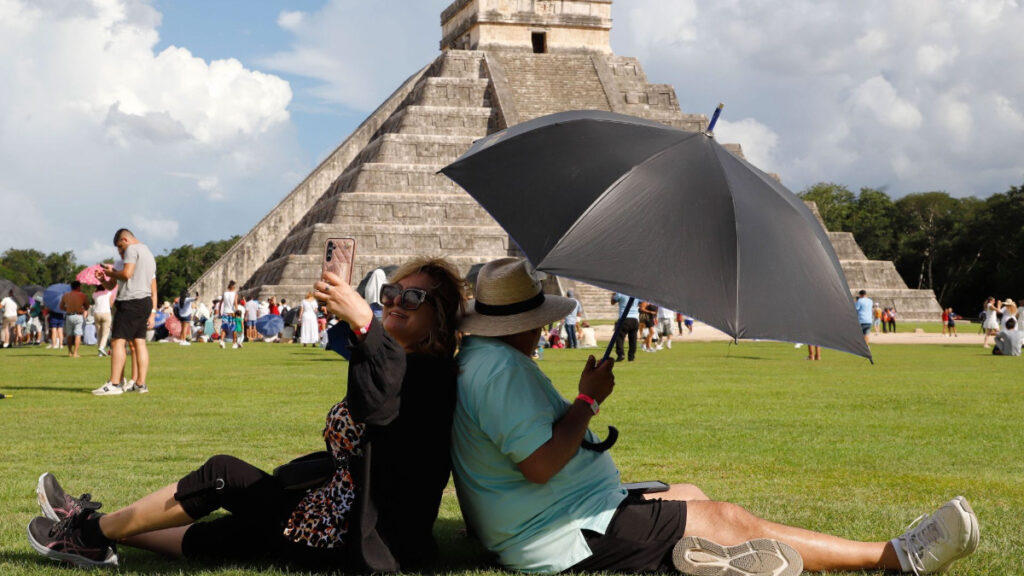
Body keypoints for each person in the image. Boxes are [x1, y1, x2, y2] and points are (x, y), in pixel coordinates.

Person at [451, 257, 980, 576]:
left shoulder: (490, 360)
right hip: (560, 534)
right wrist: (588, 401)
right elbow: (539, 465)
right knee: (727, 519)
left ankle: (699, 555)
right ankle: (895, 556)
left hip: (565, 511)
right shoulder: (498, 370)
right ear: (527, 319)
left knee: (690, 494)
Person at [27, 256, 467, 571]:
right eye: (391, 292)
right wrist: (362, 329)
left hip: (350, 530)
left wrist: (366, 324)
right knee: (223, 538)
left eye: (413, 297)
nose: (395, 301)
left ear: (440, 316)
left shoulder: (431, 376)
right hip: (329, 507)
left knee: (225, 473)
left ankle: (86, 533)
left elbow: (378, 406)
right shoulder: (398, 361)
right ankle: (97, 530)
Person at [92, 228, 157, 395]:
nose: (121, 251)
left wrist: (110, 272)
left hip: (130, 301)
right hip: (144, 301)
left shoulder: (132, 249)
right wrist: (105, 278)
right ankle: (140, 383)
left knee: (117, 341)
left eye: (120, 247)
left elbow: (127, 274)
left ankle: (114, 383)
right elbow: (116, 283)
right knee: (139, 342)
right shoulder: (148, 252)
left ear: (125, 240)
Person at [59, 281, 90, 358]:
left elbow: (61, 307)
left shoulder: (66, 295)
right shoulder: (82, 295)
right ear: (78, 287)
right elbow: (87, 306)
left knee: (69, 334)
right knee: (78, 334)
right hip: (78, 315)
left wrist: (68, 309)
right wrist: (82, 308)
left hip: (69, 316)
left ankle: (70, 352)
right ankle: (75, 353)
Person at [610, 292, 639, 362]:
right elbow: (642, 303)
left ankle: (621, 354)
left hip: (624, 318)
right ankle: (631, 357)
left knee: (619, 337)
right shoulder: (636, 294)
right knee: (633, 339)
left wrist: (613, 296)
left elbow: (612, 302)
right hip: (635, 318)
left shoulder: (620, 293)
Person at [218, 281, 241, 349]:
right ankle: (234, 344)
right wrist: (237, 312)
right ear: (233, 287)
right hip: (232, 313)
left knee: (224, 328)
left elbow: (220, 303)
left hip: (225, 313)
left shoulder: (224, 294)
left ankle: (222, 341)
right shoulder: (235, 294)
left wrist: (220, 312)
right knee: (234, 329)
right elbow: (235, 304)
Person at [92, 288, 114, 356]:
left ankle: (100, 353)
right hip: (106, 313)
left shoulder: (94, 294)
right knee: (105, 333)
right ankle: (101, 348)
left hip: (97, 313)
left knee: (99, 333)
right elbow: (111, 305)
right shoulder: (108, 293)